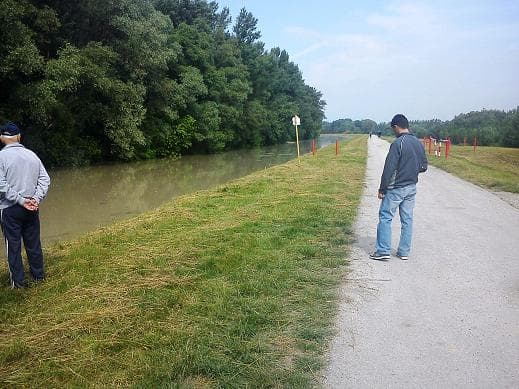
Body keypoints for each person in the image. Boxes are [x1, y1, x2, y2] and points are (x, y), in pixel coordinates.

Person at [370, 114, 427, 261]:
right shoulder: (418, 142)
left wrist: (382, 189)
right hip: (411, 186)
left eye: (393, 128)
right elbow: (424, 166)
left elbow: (389, 168)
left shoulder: (397, 143)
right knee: (407, 219)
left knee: (385, 217)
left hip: (396, 187)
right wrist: (411, 171)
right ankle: (404, 252)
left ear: (396, 126)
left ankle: (383, 251)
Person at [0, 122, 50, 288]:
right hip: (32, 206)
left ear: (1, 138)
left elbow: (1, 185)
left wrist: (21, 200)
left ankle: (19, 283)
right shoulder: (32, 155)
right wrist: (35, 198)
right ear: (19, 137)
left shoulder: (1, 157)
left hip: (9, 208)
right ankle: (38, 275)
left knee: (13, 245)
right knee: (33, 242)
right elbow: (45, 179)